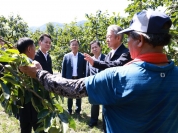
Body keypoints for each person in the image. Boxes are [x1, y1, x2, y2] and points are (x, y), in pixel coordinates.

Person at [19, 10, 178, 133]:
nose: (126, 41)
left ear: (140, 40)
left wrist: (39, 73)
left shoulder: (118, 77)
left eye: (129, 36)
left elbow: (69, 88)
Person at [84, 24, 132, 132]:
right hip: (108, 97)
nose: (107, 40)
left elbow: (115, 65)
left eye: (109, 37)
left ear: (118, 37)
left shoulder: (125, 53)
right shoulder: (109, 54)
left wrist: (95, 63)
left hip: (118, 99)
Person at [16, 37, 38, 133]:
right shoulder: (33, 65)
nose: (35, 50)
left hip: (21, 106)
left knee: (25, 129)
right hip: (34, 106)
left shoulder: (14, 63)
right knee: (39, 128)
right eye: (34, 48)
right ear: (29, 49)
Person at [62, 39, 86, 115]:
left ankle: (78, 110)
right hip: (70, 78)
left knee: (79, 94)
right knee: (69, 94)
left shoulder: (82, 56)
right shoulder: (66, 56)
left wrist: (84, 78)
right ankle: (69, 109)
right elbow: (64, 68)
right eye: (73, 44)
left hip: (79, 78)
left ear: (78, 46)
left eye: (76, 44)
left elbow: (85, 69)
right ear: (70, 46)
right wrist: (63, 79)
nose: (74, 46)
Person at [86, 40, 105, 127]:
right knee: (94, 104)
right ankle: (93, 121)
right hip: (94, 85)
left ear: (100, 47)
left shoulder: (106, 58)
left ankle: (106, 122)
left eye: (96, 47)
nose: (94, 49)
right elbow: (88, 73)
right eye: (92, 48)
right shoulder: (90, 60)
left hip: (104, 85)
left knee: (105, 105)